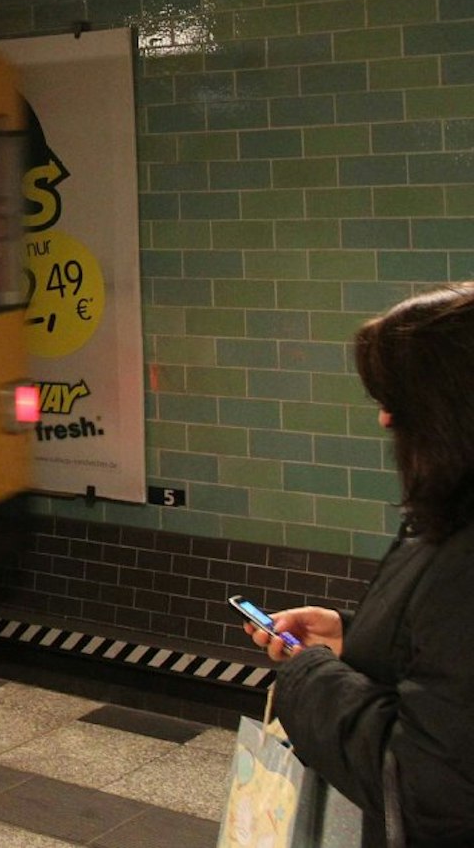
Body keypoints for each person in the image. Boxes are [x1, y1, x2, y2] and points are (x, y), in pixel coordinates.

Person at [245, 284, 474, 846]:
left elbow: (426, 789)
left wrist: (309, 674)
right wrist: (354, 637)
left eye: (399, 400)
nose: (386, 421)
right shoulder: (452, 515)